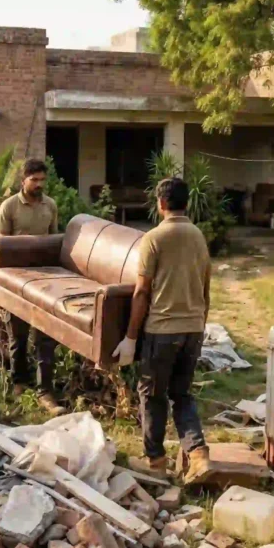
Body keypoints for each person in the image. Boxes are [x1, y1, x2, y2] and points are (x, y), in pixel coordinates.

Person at [112, 177, 212, 483]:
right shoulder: (198, 236)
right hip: (193, 327)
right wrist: (200, 324)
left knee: (152, 393)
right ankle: (198, 455)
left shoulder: (153, 238)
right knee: (181, 394)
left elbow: (142, 291)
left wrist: (130, 337)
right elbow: (206, 288)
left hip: (163, 329)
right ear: (187, 203)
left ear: (161, 203)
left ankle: (155, 460)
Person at [0, 158, 66, 415]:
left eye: (42, 180)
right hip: (16, 278)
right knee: (18, 336)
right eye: (34, 180)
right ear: (23, 180)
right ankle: (19, 383)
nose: (39, 184)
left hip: (45, 279)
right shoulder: (9, 206)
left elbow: (55, 241)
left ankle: (45, 391)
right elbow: (1, 245)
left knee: (45, 337)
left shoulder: (50, 205)